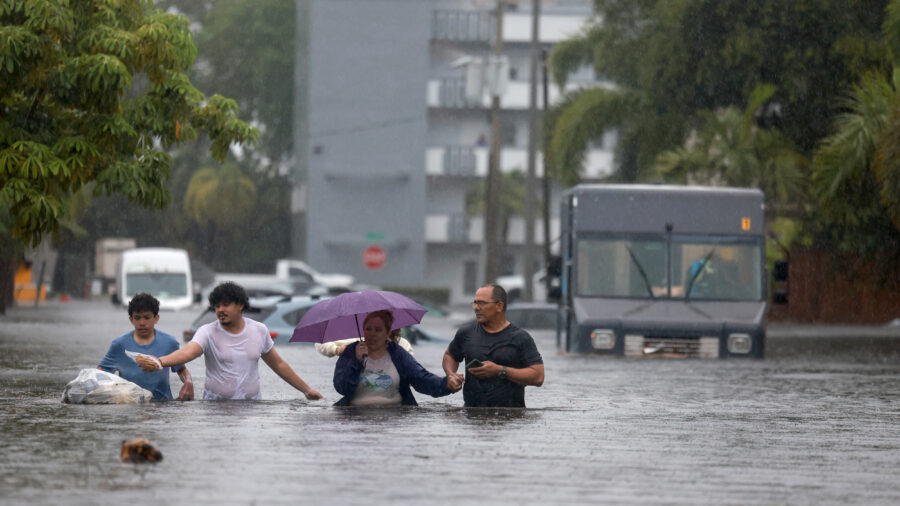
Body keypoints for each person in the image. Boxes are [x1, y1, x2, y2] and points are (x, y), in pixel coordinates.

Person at [137, 282, 323, 401]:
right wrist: (159, 361)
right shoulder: (207, 331)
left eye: (225, 305)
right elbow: (187, 353)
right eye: (216, 306)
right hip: (215, 410)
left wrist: (306, 390)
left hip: (252, 410)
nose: (220, 310)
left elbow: (279, 365)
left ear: (240, 305)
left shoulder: (259, 330)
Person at [443, 283, 544, 407]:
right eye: (475, 303)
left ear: (499, 306)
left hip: (511, 417)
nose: (476, 308)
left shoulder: (520, 338)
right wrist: (451, 374)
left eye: (482, 303)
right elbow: (450, 355)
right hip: (472, 416)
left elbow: (538, 377)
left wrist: (501, 371)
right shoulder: (466, 333)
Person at [333, 310, 462, 406]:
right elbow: (342, 387)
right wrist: (356, 361)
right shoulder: (351, 352)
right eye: (368, 329)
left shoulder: (397, 354)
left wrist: (447, 384)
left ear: (388, 332)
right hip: (355, 416)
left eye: (378, 330)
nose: (372, 334)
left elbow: (422, 380)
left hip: (394, 416)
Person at [98, 293, 193, 400]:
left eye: (147, 317)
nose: (142, 323)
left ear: (156, 318)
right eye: (137, 318)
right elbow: (100, 374)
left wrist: (188, 382)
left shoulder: (170, 343)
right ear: (131, 319)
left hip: (163, 408)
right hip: (131, 407)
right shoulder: (119, 345)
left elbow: (181, 370)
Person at [314, 331, 414, 357]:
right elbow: (320, 342)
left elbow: (415, 376)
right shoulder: (359, 342)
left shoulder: (403, 345)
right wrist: (338, 350)